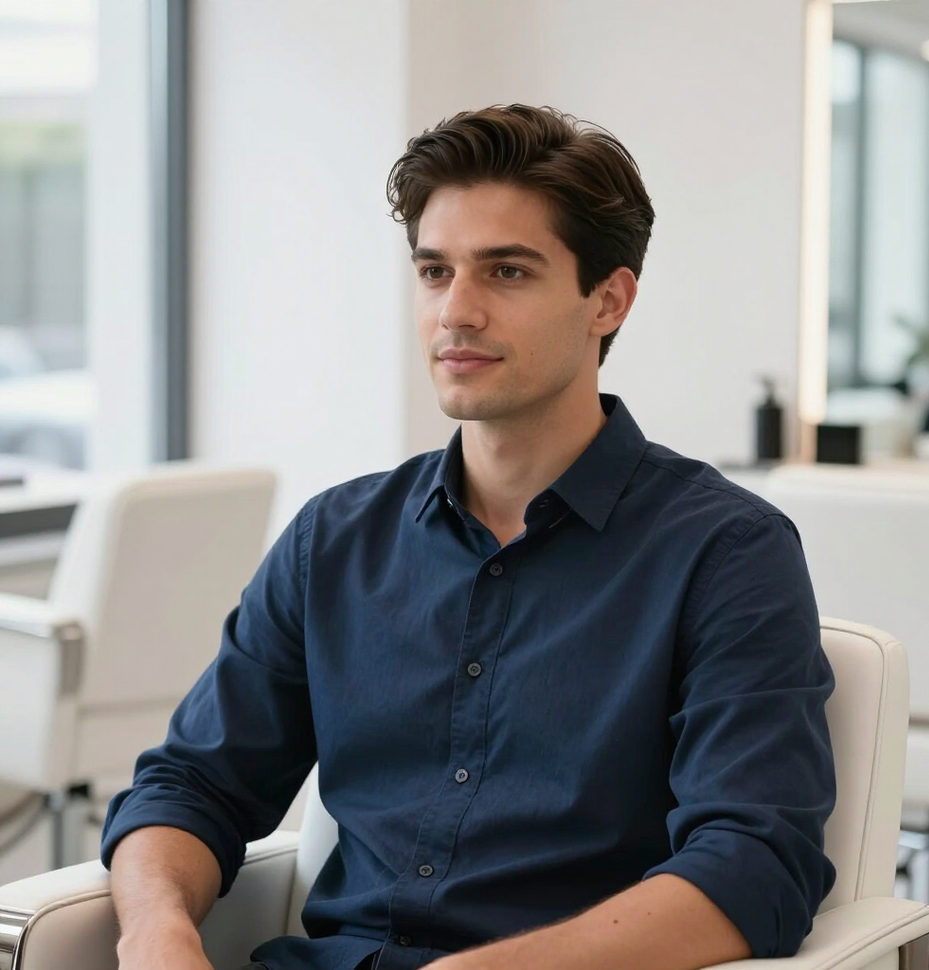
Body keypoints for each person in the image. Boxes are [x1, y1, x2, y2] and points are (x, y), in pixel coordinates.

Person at [102, 104, 836, 970]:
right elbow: (191, 786)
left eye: (507, 272)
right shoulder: (334, 540)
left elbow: (756, 863)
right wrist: (156, 932)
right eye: (434, 270)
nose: (457, 311)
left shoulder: (725, 552)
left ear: (608, 298)